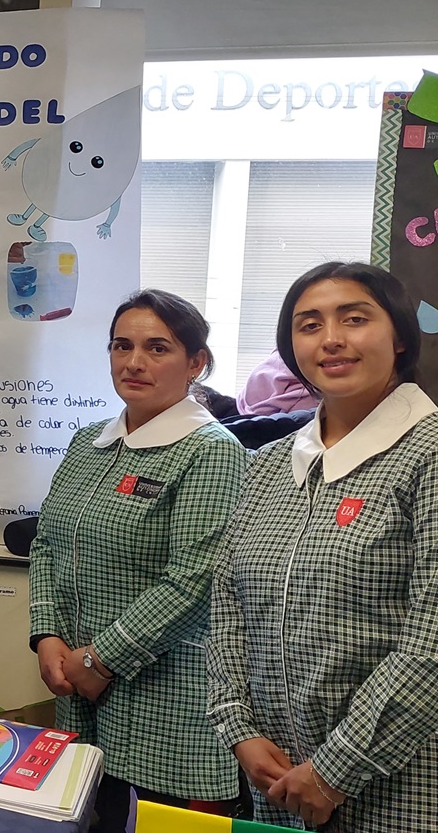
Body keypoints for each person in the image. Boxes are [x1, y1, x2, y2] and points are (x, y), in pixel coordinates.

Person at [207, 261, 438, 831]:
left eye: (354, 318)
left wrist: (334, 769)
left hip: (399, 783)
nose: (330, 339)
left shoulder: (427, 454)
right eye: (308, 325)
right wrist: (239, 729)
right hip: (277, 782)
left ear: (400, 336)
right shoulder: (267, 465)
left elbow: (431, 638)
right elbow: (227, 603)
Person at [28, 289, 247, 832]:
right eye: (121, 346)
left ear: (196, 363)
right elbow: (47, 545)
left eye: (158, 348)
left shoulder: (210, 451)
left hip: (167, 696)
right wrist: (47, 635)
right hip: (79, 688)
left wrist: (99, 660)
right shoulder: (88, 443)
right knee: (86, 820)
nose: (134, 362)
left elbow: (195, 581)